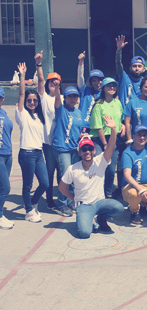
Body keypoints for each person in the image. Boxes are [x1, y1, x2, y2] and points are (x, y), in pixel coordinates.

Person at [58, 115, 124, 238]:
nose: (87, 152)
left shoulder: (101, 161)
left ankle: (101, 218)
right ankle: (84, 218)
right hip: (84, 205)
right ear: (79, 152)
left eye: (90, 149)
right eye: (84, 149)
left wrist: (114, 129)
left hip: (100, 203)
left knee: (118, 207)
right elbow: (62, 188)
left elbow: (110, 147)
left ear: (94, 151)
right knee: (84, 233)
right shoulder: (72, 169)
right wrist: (74, 199)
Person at [15, 62, 48, 223]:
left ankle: (33, 203)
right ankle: (28, 211)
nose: (32, 102)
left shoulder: (38, 116)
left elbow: (41, 87)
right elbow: (21, 94)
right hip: (26, 153)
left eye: (35, 100)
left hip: (38, 153)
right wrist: (22, 75)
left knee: (45, 183)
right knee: (27, 184)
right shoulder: (22, 114)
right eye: (30, 100)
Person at [52, 86, 88, 218]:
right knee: (65, 175)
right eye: (70, 96)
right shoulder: (61, 109)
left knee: (73, 176)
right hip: (62, 148)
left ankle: (70, 201)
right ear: (65, 98)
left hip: (74, 149)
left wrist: (83, 135)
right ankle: (62, 203)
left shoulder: (78, 112)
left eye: (75, 96)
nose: (73, 98)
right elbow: (57, 100)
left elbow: (79, 129)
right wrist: (57, 90)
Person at [89, 77, 125, 199]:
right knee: (99, 166)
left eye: (113, 86)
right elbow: (98, 127)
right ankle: (96, 191)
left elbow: (119, 119)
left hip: (114, 137)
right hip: (100, 139)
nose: (111, 88)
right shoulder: (98, 105)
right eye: (108, 86)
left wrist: (123, 125)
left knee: (110, 168)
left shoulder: (117, 103)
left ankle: (107, 192)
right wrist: (105, 143)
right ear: (103, 88)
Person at [36, 55, 62, 209]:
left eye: (57, 83)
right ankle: (49, 199)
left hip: (61, 142)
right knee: (50, 171)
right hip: (48, 142)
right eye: (52, 82)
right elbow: (40, 81)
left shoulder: (64, 99)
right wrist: (39, 64)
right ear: (48, 84)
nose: (54, 84)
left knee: (61, 171)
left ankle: (62, 198)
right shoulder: (44, 98)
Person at [115, 36, 145, 109]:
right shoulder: (124, 77)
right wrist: (119, 50)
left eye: (139, 66)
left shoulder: (145, 81)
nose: (137, 68)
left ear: (144, 69)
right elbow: (118, 64)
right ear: (130, 68)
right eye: (134, 66)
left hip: (138, 116)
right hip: (123, 117)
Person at [0, 85, 13, 229]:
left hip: (8, 154)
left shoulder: (3, 112)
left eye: (0, 97)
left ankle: (1, 213)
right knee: (5, 188)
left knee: (1, 187)